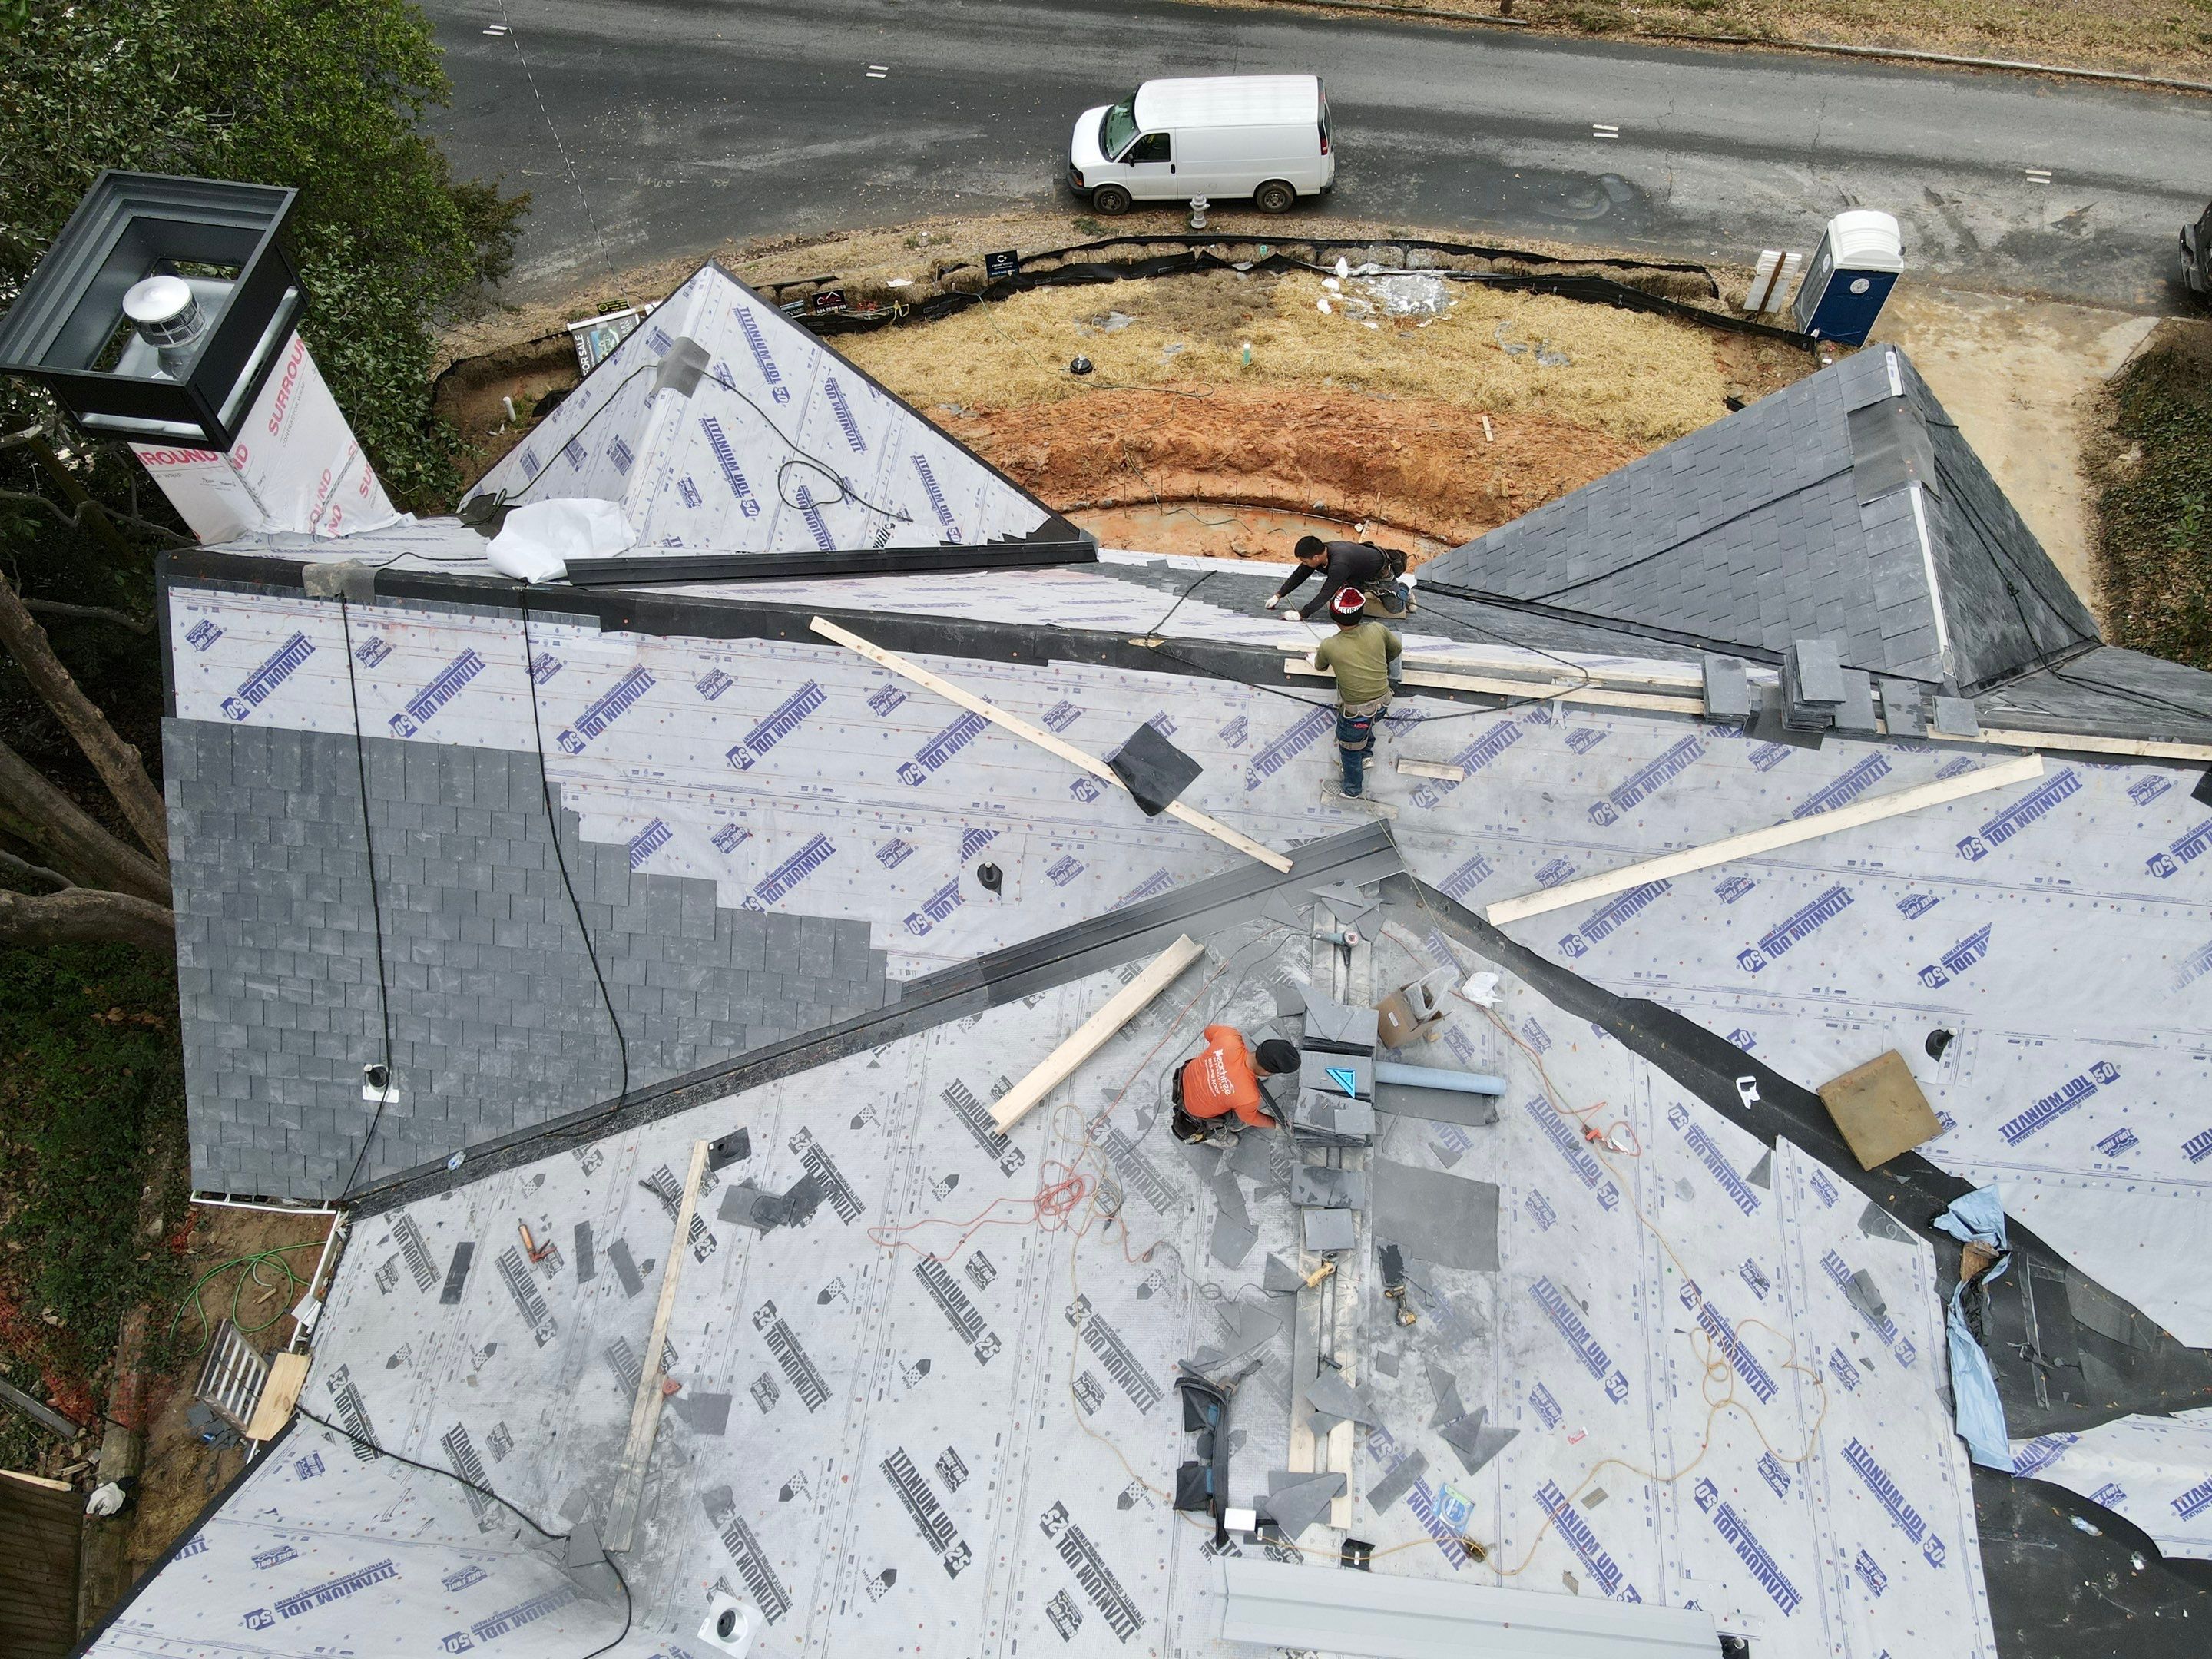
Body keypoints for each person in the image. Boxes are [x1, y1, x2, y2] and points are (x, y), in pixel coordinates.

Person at [1312, 585, 1402, 798]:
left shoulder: (1329, 645)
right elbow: (1396, 649)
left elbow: (1320, 666)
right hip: (1384, 701)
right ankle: (1367, 755)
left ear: (1334, 617)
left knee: (1349, 747)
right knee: (1368, 725)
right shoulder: (1378, 630)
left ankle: (1352, 789)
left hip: (1357, 713)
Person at [1171, 1028, 1300, 1145]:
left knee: (1236, 1103)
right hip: (1195, 1113)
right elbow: (1252, 1118)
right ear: (1267, 1072)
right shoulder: (1248, 1097)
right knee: (1239, 1115)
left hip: (1184, 1079)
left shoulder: (1229, 1036)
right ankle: (1217, 1137)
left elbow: (1208, 1032)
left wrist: (1219, 1060)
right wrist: (1275, 1124)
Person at [1263, 535, 1410, 621]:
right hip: (1355, 576)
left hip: (1380, 575)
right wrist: (1278, 595)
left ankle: (1404, 589)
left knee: (1396, 609)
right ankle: (1364, 590)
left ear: (1315, 557)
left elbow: (1326, 592)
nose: (1304, 564)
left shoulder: (1339, 563)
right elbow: (1299, 575)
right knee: (1340, 607)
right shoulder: (1321, 553)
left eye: (1305, 561)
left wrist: (1301, 614)